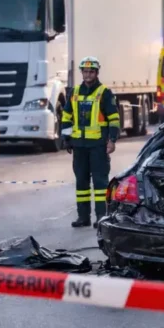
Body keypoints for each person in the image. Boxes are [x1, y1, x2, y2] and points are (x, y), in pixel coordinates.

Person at [61, 56, 120, 228]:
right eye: (85, 71)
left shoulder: (104, 93)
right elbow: (66, 116)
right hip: (79, 145)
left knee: (101, 183)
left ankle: (102, 217)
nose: (87, 74)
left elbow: (114, 119)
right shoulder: (74, 92)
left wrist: (112, 140)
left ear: (96, 73)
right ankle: (83, 217)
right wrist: (67, 138)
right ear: (82, 72)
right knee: (81, 183)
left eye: (91, 71)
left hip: (98, 146)